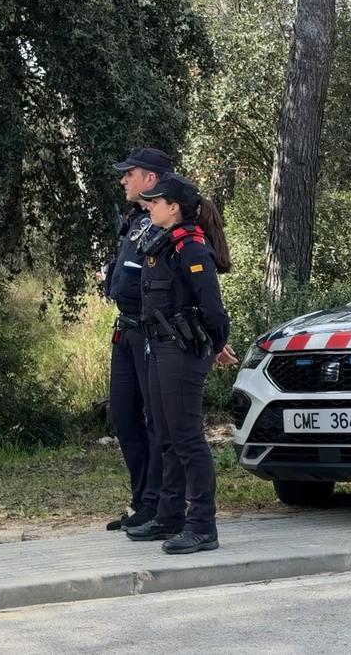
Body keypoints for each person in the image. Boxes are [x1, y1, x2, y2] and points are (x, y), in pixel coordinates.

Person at [123, 173, 237, 554]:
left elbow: (213, 310)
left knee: (187, 439)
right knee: (166, 436)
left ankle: (202, 525)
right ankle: (169, 516)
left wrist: (216, 345)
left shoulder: (191, 248)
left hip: (182, 353)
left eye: (156, 202)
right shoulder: (164, 243)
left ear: (174, 208)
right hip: (160, 348)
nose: (149, 207)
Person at [104, 147, 174, 531]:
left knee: (155, 421)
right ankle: (140, 499)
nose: (123, 180)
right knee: (123, 415)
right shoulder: (136, 219)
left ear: (150, 178)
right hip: (126, 330)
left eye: (128, 173)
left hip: (153, 332)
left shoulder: (168, 219)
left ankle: (156, 504)